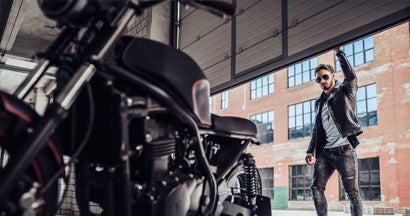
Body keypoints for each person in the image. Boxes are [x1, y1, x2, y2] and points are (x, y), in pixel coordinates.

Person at [305, 46, 363, 216]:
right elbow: (317, 129)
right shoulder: (319, 102)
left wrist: (340, 54)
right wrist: (310, 150)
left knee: (352, 194)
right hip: (325, 153)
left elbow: (351, 76)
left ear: (333, 76)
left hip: (345, 151)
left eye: (325, 77)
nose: (322, 81)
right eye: (318, 79)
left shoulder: (345, 91)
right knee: (316, 188)